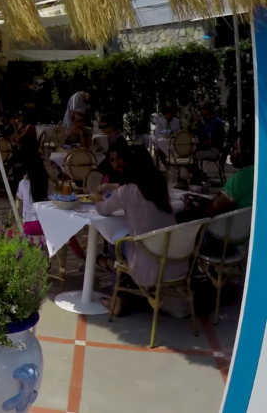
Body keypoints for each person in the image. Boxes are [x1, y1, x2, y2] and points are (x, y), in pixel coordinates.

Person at [90, 146, 181, 314]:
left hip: (149, 262)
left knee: (115, 244)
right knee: (126, 240)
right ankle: (118, 281)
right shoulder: (159, 183)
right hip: (176, 257)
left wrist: (97, 199)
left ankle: (116, 299)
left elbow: (103, 210)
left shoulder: (128, 191)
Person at [13, 140, 85, 258]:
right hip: (45, 224)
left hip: (28, 226)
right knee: (69, 231)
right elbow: (52, 198)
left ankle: (18, 260)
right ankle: (81, 256)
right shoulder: (47, 183)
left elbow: (19, 197)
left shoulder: (23, 183)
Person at [193, 102, 226, 181]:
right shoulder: (209, 122)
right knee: (190, 152)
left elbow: (209, 142)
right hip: (210, 149)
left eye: (201, 109)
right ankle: (199, 175)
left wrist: (198, 143)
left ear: (207, 110)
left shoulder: (215, 122)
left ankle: (198, 176)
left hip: (214, 150)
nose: (200, 112)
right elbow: (203, 136)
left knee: (190, 155)